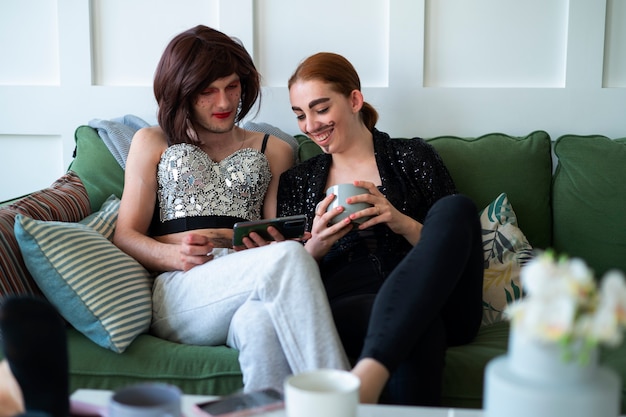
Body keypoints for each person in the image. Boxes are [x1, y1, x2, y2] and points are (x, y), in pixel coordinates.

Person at [113, 26, 349, 392]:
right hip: (181, 290)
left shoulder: (274, 149)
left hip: (250, 282)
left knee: (261, 323)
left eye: (232, 87)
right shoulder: (152, 141)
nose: (224, 103)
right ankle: (347, 400)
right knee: (288, 258)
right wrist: (174, 257)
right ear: (182, 92)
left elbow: (279, 234)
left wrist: (273, 241)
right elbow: (125, 234)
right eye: (207, 91)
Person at [275, 52, 484, 405]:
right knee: (421, 327)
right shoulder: (298, 182)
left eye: (320, 109)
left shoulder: (413, 156)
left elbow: (456, 246)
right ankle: (372, 375)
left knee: (456, 209)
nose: (310, 125)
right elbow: (287, 278)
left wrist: (399, 220)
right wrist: (317, 246)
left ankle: (366, 378)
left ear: (354, 100)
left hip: (439, 298)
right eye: (300, 115)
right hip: (352, 305)